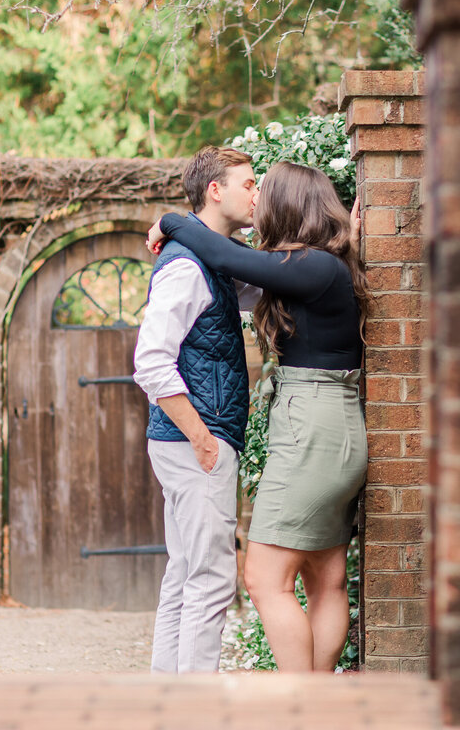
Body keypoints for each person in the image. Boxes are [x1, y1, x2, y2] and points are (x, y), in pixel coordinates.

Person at [147, 161, 371, 673]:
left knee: (265, 577)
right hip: (335, 423)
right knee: (324, 575)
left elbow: (226, 256)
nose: (258, 200)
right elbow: (238, 272)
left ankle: (296, 703)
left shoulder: (311, 265)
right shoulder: (325, 265)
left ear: (289, 204)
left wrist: (174, 221)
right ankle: (312, 705)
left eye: (264, 191)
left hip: (312, 424)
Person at [132, 146, 259, 673]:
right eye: (249, 183)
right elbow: (151, 363)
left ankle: (170, 703)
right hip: (196, 439)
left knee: (186, 576)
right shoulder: (185, 268)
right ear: (216, 190)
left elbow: (268, 280)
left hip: (190, 438)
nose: (256, 193)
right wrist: (203, 438)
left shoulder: (212, 259)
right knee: (209, 581)